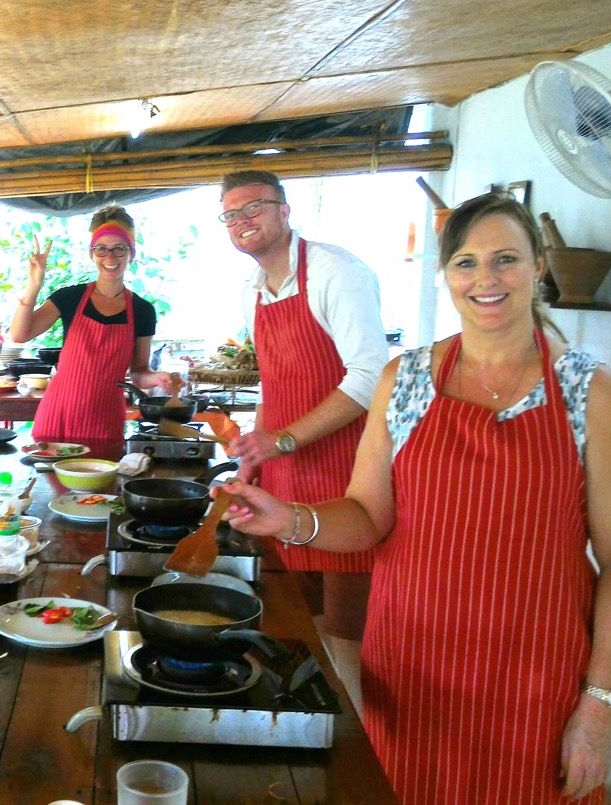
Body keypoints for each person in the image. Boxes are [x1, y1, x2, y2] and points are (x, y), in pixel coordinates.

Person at [222, 193, 611, 803]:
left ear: (538, 266)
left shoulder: (592, 392)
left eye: (505, 259)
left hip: (534, 678)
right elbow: (368, 517)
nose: (486, 279)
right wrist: (289, 518)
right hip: (410, 671)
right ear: (447, 275)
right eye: (466, 263)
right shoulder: (408, 380)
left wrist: (601, 707)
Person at [218, 170, 389, 707]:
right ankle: (309, 720)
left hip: (347, 474)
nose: (243, 221)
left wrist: (282, 441)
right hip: (286, 478)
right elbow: (272, 378)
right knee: (298, 613)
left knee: (348, 629)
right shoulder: (251, 290)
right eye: (231, 215)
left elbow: (368, 379)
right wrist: (255, 453)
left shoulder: (337, 272)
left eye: (255, 208)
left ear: (285, 211)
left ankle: (362, 742)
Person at [10, 206, 179, 454]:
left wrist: (157, 378)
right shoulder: (70, 297)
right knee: (51, 492)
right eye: (101, 248)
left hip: (105, 421)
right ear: (92, 253)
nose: (110, 257)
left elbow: (139, 372)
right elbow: (19, 335)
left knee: (103, 493)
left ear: (131, 253)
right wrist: (34, 285)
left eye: (119, 249)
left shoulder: (142, 310)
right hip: (58, 416)